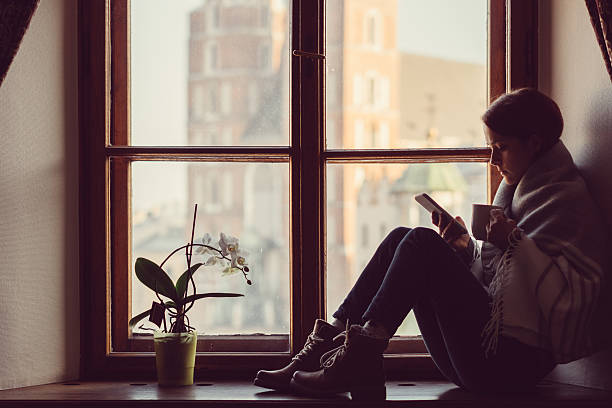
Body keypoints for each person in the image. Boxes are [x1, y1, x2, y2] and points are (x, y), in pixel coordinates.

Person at [253, 88, 607, 399]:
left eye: (501, 148)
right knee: (401, 239)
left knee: (421, 243)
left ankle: (360, 358)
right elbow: (501, 286)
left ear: (534, 142)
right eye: (491, 148)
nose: (493, 161)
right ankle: (328, 348)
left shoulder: (564, 200)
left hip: (510, 367)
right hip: (482, 359)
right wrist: (466, 251)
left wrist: (515, 241)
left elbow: (572, 300)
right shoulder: (519, 195)